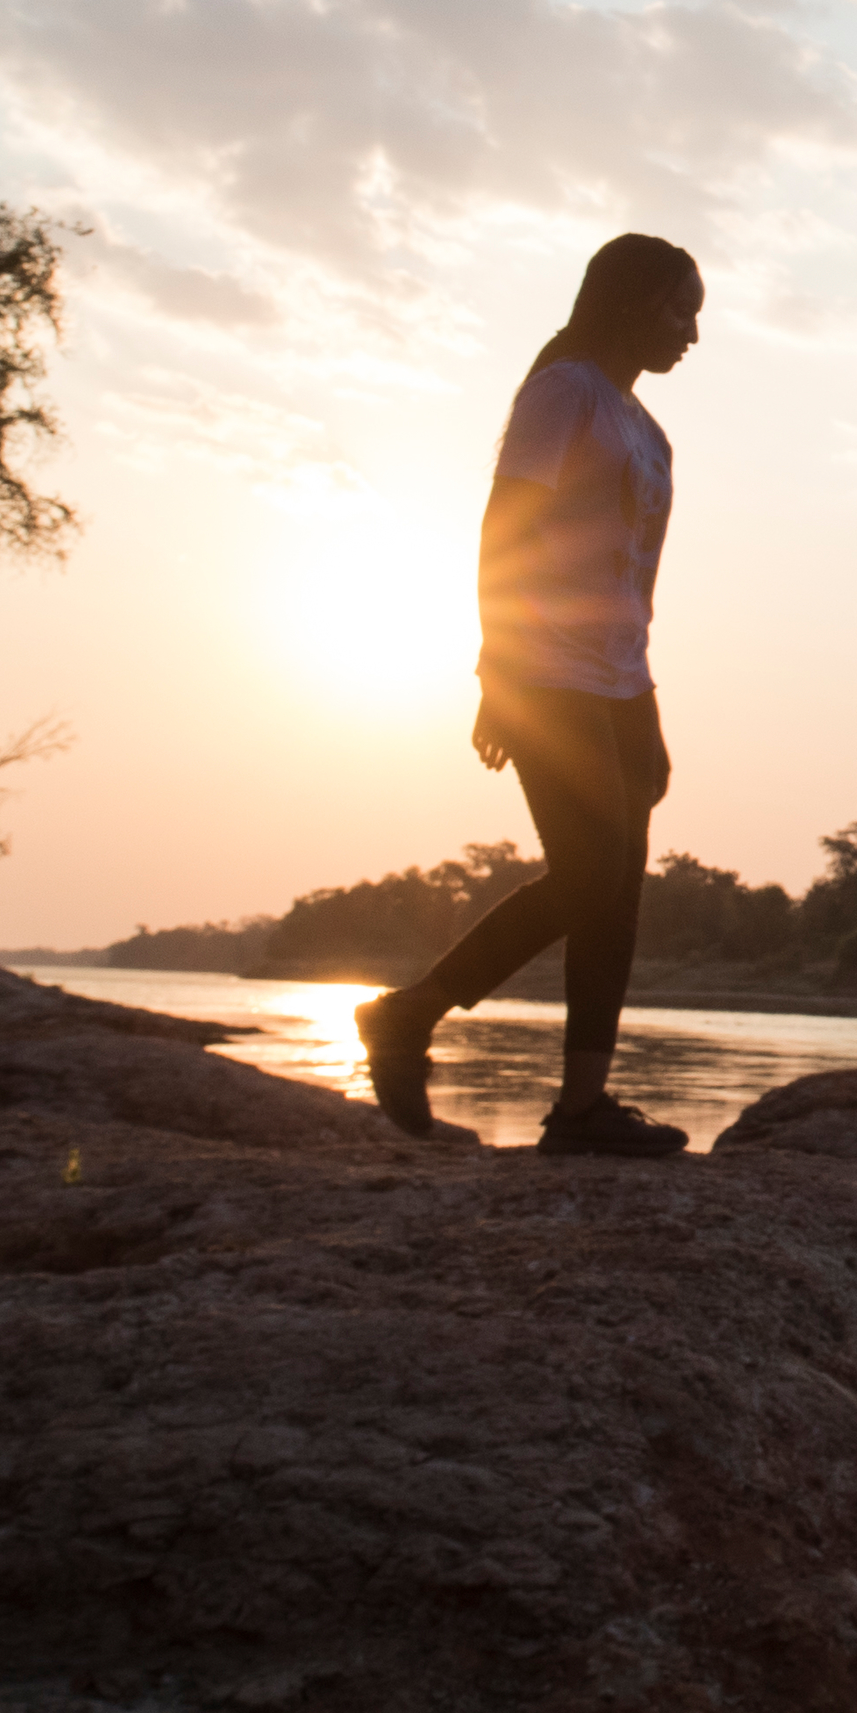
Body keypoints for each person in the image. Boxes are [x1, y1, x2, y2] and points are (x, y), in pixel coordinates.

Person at [352, 234, 704, 1155]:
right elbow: (502, 528)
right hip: (545, 670)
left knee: (615, 893)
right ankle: (410, 1014)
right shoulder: (564, 393)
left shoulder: (647, 428)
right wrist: (496, 669)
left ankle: (582, 1109)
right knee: (591, 875)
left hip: (622, 680)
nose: (692, 333)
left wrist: (648, 703)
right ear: (627, 302)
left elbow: (632, 579)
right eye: (679, 309)